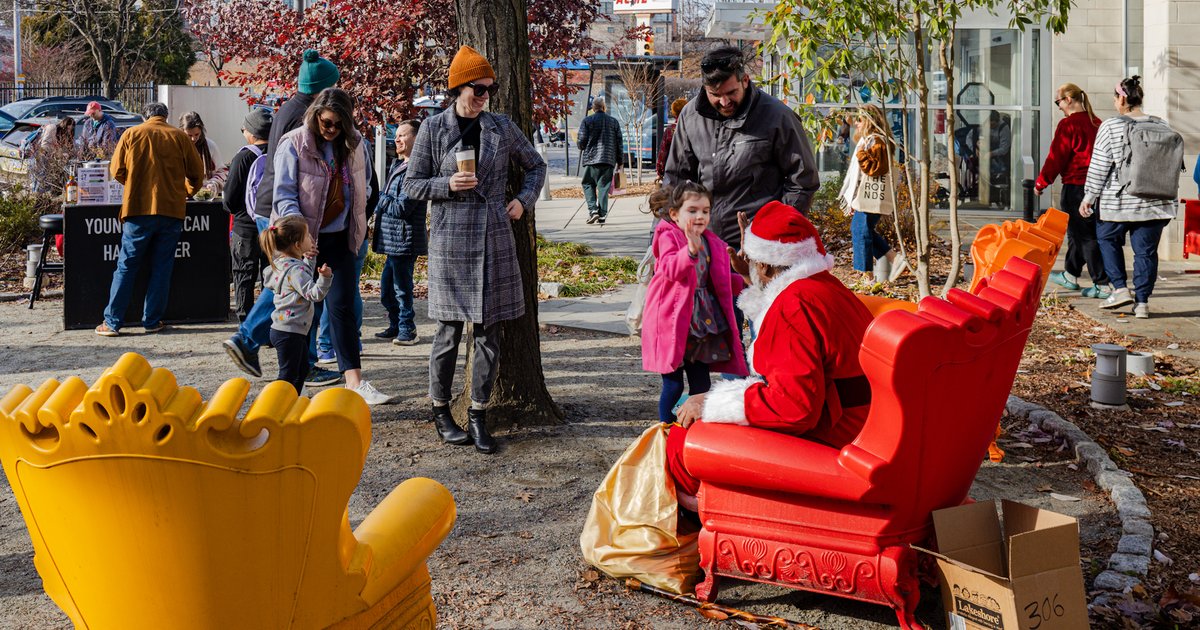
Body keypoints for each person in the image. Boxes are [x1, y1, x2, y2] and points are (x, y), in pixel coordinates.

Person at [666, 201, 874, 511]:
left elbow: (795, 409)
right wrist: (752, 278)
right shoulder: (824, 287)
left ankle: (706, 515)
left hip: (835, 439)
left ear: (764, 265)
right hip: (861, 427)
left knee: (679, 443)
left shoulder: (793, 306)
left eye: (751, 259)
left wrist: (712, 404)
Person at [405, 45, 547, 454]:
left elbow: (536, 165)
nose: (485, 96)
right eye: (479, 88)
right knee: (448, 333)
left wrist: (522, 201)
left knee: (489, 333)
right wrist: (446, 185)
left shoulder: (501, 126)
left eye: (490, 89)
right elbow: (412, 185)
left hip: (494, 237)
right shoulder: (433, 129)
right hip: (450, 241)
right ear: (459, 88)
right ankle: (440, 411)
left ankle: (480, 415)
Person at [222, 49, 343, 388]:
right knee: (292, 278)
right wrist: (300, 223)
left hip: (273, 205)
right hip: (286, 209)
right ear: (322, 89)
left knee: (284, 278)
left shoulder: (289, 107)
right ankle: (252, 340)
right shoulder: (305, 115)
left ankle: (276, 349)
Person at [273, 87, 393, 405]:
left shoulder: (355, 143)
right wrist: (300, 237)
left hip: (340, 236)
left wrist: (359, 224)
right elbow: (283, 194)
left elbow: (366, 188)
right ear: (315, 116)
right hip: (302, 240)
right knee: (301, 311)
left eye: (340, 124)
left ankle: (354, 382)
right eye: (327, 122)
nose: (332, 130)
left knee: (342, 306)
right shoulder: (294, 143)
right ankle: (292, 384)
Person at [663, 44, 820, 250]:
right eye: (715, 94)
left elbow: (802, 180)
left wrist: (778, 232)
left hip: (760, 246)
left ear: (745, 80)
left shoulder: (778, 116)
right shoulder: (691, 116)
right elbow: (675, 179)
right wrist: (662, 237)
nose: (724, 101)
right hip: (704, 244)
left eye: (731, 92)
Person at [95, 102, 205, 337]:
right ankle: (152, 321)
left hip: (138, 209)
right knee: (162, 268)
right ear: (165, 116)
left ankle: (112, 322)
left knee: (126, 266)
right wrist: (186, 192)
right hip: (171, 211)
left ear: (145, 117)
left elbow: (116, 170)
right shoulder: (179, 137)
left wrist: (134, 185)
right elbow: (197, 174)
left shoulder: (131, 134)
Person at [642, 181, 747, 425]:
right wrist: (689, 251)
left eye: (705, 211)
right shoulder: (668, 236)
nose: (700, 216)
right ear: (674, 214)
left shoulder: (710, 241)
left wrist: (744, 277)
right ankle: (666, 429)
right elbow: (669, 270)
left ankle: (693, 429)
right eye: (692, 210)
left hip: (700, 325)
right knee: (673, 385)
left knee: (702, 384)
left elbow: (717, 279)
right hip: (672, 322)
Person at [1082, 76, 1179, 319]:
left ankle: (1120, 289)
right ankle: (1142, 303)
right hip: (1155, 203)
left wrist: (1089, 196)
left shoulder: (1111, 125)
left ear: (1122, 99)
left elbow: (1100, 165)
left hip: (1118, 202)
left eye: (1115, 98)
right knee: (1145, 253)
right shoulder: (1162, 125)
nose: (1114, 103)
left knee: (1107, 239)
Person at [1037, 83, 1109, 299]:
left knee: (1086, 237)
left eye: (1058, 102)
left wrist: (1041, 182)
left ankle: (1102, 284)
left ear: (1068, 100)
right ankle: (1071, 274)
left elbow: (1056, 157)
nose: (1058, 107)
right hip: (1097, 188)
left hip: (1076, 187)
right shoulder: (1097, 123)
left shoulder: (1068, 125)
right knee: (1079, 233)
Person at [260, 214, 332, 394]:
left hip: (285, 329)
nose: (311, 238)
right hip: (290, 332)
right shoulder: (296, 270)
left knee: (300, 370)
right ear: (298, 245)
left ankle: (293, 401)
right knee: (288, 375)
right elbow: (314, 294)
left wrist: (309, 259)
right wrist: (325, 278)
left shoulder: (282, 264)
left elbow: (300, 277)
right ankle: (277, 403)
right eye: (307, 235)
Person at [373, 119, 426, 345]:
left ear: (416, 138)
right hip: (392, 240)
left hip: (405, 240)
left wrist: (379, 197)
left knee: (402, 289)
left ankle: (407, 329)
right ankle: (395, 325)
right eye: (396, 136)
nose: (397, 139)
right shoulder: (398, 165)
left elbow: (401, 208)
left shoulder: (417, 169)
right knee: (387, 291)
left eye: (403, 135)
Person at [838, 104, 906, 284]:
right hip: (866, 194)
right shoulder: (871, 140)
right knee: (862, 230)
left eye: (860, 120)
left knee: (860, 230)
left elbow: (874, 170)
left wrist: (861, 153)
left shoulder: (877, 141)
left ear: (869, 120)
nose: (856, 124)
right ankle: (894, 259)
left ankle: (866, 275)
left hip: (871, 194)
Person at [225, 108, 273, 320]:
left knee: (244, 274)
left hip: (245, 227)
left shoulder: (244, 157)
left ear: (252, 132)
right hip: (273, 225)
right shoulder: (280, 153)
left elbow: (229, 199)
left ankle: (245, 322)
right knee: (271, 275)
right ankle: (268, 320)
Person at [578, 97, 624, 225]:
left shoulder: (587, 121)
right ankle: (602, 215)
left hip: (591, 159)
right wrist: (620, 161)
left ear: (593, 108)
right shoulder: (614, 122)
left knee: (588, 183)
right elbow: (619, 143)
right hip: (608, 159)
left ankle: (593, 210)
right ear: (604, 108)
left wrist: (581, 146)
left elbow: (581, 141)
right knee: (603, 186)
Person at [179, 111, 225, 184]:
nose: (193, 139)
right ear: (182, 131)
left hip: (205, 189)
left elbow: (222, 170)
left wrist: (213, 183)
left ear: (201, 130)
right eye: (189, 135)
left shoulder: (210, 146)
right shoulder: (177, 147)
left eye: (197, 134)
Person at [655, 97, 688, 181]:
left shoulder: (670, 130)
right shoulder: (693, 127)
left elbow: (663, 152)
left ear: (674, 113)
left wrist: (659, 172)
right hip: (689, 171)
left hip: (672, 170)